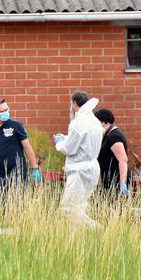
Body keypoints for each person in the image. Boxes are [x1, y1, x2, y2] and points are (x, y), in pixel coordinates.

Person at [53, 91, 103, 228]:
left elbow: (69, 149)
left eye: (71, 104)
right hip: (92, 168)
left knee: (69, 210)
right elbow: (83, 142)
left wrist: (58, 142)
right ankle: (84, 237)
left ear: (75, 103)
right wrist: (65, 138)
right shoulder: (94, 121)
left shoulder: (78, 122)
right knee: (80, 207)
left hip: (79, 171)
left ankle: (96, 230)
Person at [94, 108, 130, 197]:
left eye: (96, 122)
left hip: (115, 180)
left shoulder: (114, 136)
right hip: (108, 179)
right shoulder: (108, 135)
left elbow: (123, 160)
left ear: (104, 122)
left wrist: (122, 182)